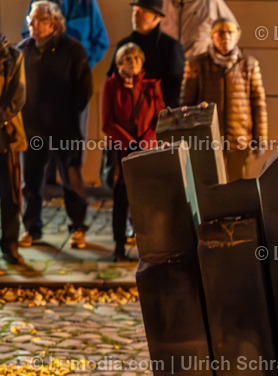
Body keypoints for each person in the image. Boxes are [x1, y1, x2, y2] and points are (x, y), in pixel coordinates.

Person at [18, 1, 93, 250]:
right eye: (31, 19)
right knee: (31, 182)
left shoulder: (71, 49)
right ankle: (32, 228)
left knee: (71, 179)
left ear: (53, 22)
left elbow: (84, 88)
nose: (33, 25)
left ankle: (78, 227)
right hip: (32, 130)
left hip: (65, 128)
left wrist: (70, 115)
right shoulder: (23, 50)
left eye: (39, 20)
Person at [180, 17, 267, 181]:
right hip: (207, 141)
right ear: (212, 37)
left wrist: (260, 139)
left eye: (230, 32)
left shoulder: (249, 65)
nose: (225, 37)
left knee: (237, 187)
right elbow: (185, 105)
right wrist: (187, 140)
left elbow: (258, 105)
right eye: (220, 32)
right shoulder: (196, 64)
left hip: (240, 140)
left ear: (236, 37)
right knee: (210, 186)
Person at [102, 42, 164, 261]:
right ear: (120, 63)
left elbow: (159, 118)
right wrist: (129, 142)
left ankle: (147, 246)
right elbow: (107, 122)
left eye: (137, 59)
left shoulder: (151, 85)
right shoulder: (111, 85)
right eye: (129, 59)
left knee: (146, 202)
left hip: (145, 152)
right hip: (122, 152)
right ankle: (119, 246)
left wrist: (145, 142)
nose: (134, 63)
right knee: (121, 201)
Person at [108, 0, 185, 108]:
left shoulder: (170, 46)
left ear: (156, 17)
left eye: (142, 10)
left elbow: (176, 87)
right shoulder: (123, 45)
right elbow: (111, 80)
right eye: (134, 10)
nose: (135, 13)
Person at [0, 33, 28, 268]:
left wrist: (1, 117)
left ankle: (10, 244)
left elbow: (17, 96)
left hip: (6, 134)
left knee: (10, 193)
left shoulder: (13, 56)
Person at [20, 0, 108, 68]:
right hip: (44, 72)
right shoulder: (38, 3)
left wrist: (83, 63)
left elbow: (101, 42)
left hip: (77, 75)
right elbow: (28, 34)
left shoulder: (86, 3)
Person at [161, 0, 236, 60]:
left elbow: (233, 30)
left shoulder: (210, 2)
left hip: (201, 68)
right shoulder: (161, 3)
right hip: (167, 68)